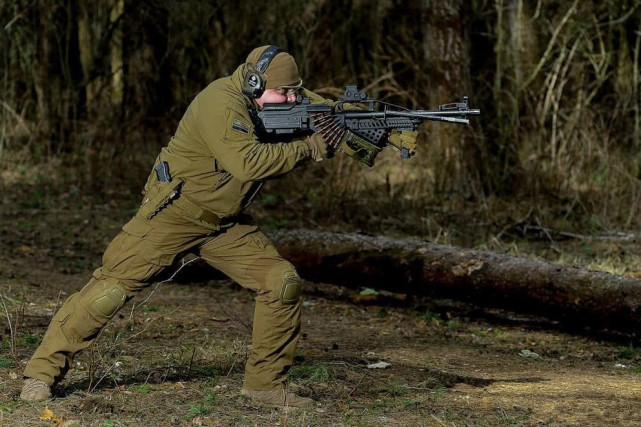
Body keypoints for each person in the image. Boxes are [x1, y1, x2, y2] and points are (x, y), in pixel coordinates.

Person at [20, 45, 418, 408]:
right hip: (175, 214)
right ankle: (40, 374)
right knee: (110, 290)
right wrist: (307, 147)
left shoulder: (283, 93)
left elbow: (333, 117)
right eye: (285, 94)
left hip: (225, 224)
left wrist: (386, 129)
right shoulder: (219, 102)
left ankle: (264, 385)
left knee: (282, 281)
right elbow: (246, 163)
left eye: (296, 92)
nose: (293, 99)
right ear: (254, 81)